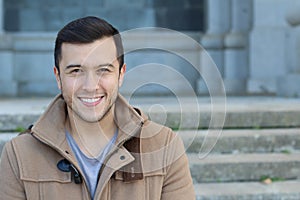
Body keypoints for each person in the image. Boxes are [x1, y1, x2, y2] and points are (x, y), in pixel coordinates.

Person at [0, 16, 195, 200]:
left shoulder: (165, 147)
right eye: (76, 71)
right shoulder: (19, 154)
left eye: (103, 70)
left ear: (121, 74)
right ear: (58, 77)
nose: (90, 86)